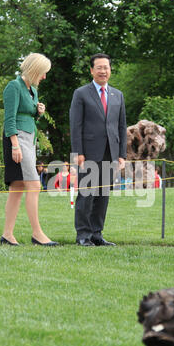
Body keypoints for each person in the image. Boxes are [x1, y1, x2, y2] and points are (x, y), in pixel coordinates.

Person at [1, 53, 59, 246]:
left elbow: (28, 115)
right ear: (35, 70)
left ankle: (7, 235)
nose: (44, 77)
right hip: (17, 139)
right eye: (43, 73)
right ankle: (37, 234)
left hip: (29, 139)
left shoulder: (32, 90)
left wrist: (38, 112)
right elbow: (9, 119)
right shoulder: (14, 86)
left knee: (17, 186)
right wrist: (15, 145)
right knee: (34, 185)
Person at [69, 53, 127, 246]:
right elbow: (75, 126)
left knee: (102, 196)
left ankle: (96, 234)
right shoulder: (81, 93)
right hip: (88, 153)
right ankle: (83, 235)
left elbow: (121, 127)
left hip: (111, 153)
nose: (103, 71)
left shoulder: (117, 95)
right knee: (86, 195)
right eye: (99, 67)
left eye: (106, 67)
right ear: (92, 70)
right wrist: (78, 153)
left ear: (110, 70)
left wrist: (121, 155)